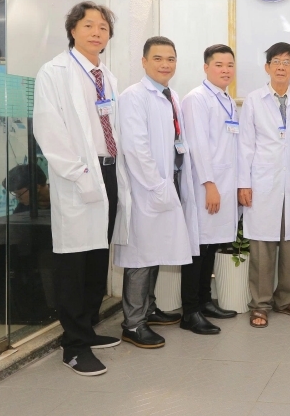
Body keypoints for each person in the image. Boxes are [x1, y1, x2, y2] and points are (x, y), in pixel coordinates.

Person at [32, 1, 131, 376]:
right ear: (72, 30)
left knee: (97, 256)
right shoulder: (54, 72)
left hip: (109, 172)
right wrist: (79, 172)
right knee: (73, 261)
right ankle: (73, 345)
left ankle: (87, 328)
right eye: (88, 25)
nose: (96, 32)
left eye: (103, 27)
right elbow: (49, 129)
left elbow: (112, 127)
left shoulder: (106, 76)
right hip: (78, 175)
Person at [114, 36, 199, 349]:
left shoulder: (170, 95)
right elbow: (136, 149)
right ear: (144, 61)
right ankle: (133, 324)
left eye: (171, 59)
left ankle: (148, 308)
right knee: (140, 255)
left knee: (156, 250)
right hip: (146, 187)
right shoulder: (133, 96)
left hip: (168, 181)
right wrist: (157, 185)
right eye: (158, 58)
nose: (165, 64)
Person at [238, 42, 290, 328]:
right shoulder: (254, 100)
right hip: (262, 181)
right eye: (276, 62)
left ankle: (286, 300)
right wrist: (243, 183)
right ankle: (260, 304)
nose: (281, 67)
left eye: (287, 62)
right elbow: (245, 145)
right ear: (267, 67)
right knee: (262, 246)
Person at [179, 44, 241, 335]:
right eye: (219, 65)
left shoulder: (227, 99)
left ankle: (205, 301)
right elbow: (198, 145)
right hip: (206, 184)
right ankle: (190, 311)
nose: (225, 70)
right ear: (206, 67)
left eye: (229, 65)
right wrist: (209, 184)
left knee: (211, 245)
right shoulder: (196, 99)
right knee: (198, 247)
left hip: (224, 183)